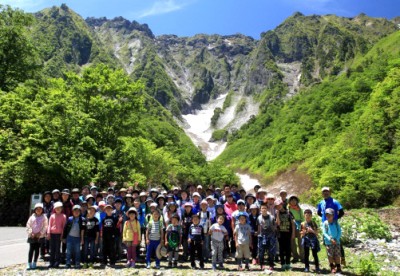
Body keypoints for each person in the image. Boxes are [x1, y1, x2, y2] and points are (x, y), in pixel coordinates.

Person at [317, 186, 346, 266]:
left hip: (334, 224)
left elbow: (341, 212)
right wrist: (324, 219)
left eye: (327, 191)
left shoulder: (334, 201)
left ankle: (342, 259)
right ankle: (331, 262)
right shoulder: (321, 203)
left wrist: (335, 219)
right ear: (322, 194)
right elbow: (319, 212)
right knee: (327, 243)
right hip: (325, 224)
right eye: (324, 192)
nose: (325, 193)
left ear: (330, 192)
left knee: (337, 241)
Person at [26, 203, 48, 270]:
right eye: (37, 209)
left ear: (42, 210)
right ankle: (29, 263)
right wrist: (31, 232)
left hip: (40, 236)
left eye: (40, 209)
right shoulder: (32, 217)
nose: (38, 210)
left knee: (37, 249)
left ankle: (34, 262)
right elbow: (28, 225)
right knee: (31, 249)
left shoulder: (44, 217)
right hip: (32, 236)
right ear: (35, 210)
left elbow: (45, 226)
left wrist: (40, 233)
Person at [275, 199, 295, 271]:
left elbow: (292, 224)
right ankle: (283, 264)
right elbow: (278, 224)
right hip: (280, 234)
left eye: (279, 205)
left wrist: (293, 234)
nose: (278, 207)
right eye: (277, 206)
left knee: (288, 249)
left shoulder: (289, 212)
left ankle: (288, 263)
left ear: (282, 204)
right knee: (281, 249)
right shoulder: (277, 214)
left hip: (288, 233)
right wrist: (277, 214)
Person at [258, 204, 277, 271]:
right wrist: (258, 234)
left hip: (271, 236)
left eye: (265, 208)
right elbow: (258, 227)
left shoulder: (272, 217)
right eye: (262, 208)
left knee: (271, 252)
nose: (264, 209)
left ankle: (271, 264)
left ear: (267, 209)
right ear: (260, 210)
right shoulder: (259, 218)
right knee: (261, 251)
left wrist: (274, 235)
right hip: (261, 236)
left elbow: (275, 227)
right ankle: (261, 265)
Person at [47, 201, 66, 268]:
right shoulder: (52, 216)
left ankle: (57, 262)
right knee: (52, 249)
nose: (58, 209)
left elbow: (64, 227)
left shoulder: (63, 216)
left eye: (59, 208)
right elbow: (49, 225)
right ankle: (51, 262)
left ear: (61, 208)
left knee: (58, 249)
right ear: (54, 209)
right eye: (56, 208)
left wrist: (62, 235)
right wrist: (48, 233)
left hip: (59, 234)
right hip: (52, 233)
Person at [323, 208, 342, 274]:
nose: (328, 217)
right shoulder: (325, 223)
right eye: (327, 215)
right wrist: (330, 239)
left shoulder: (336, 222)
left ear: (333, 215)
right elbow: (324, 232)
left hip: (337, 242)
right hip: (329, 242)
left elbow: (339, 231)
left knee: (337, 255)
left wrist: (336, 239)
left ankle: (338, 266)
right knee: (330, 255)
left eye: (330, 215)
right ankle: (332, 266)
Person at [301, 209, 320, 273]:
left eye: (309, 215)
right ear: (304, 215)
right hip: (306, 239)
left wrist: (312, 231)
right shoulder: (303, 224)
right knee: (306, 254)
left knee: (314, 253)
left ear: (311, 216)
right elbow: (301, 233)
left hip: (313, 240)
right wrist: (305, 232)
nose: (308, 216)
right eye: (306, 215)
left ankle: (317, 267)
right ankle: (307, 267)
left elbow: (317, 233)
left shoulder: (314, 223)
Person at [288, 194, 304, 262]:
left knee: (301, 242)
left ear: (297, 201)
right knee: (292, 242)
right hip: (291, 226)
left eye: (295, 200)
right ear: (289, 201)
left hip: (299, 225)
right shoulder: (288, 208)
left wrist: (303, 227)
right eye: (292, 200)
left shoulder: (299, 209)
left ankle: (302, 256)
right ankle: (295, 256)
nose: (293, 201)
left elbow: (302, 218)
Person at [41, 191, 53, 260]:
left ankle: (50, 252)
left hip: (51, 223)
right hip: (43, 224)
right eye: (46, 196)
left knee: (50, 239)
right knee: (43, 239)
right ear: (44, 197)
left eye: (49, 196)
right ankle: (42, 253)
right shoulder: (42, 205)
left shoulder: (53, 204)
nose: (47, 198)